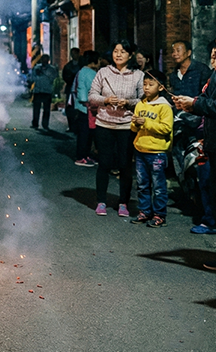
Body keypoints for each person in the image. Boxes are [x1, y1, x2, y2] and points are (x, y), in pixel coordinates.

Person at [88, 40, 144, 217]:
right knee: (104, 163)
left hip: (127, 126)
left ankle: (123, 203)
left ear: (130, 55)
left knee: (125, 165)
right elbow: (92, 96)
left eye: (122, 52)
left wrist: (128, 103)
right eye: (115, 51)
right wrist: (105, 100)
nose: (118, 54)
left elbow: (143, 100)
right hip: (104, 124)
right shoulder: (103, 72)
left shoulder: (138, 75)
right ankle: (101, 201)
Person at [175, 39, 216, 236]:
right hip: (208, 138)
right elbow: (205, 102)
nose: (214, 58)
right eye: (212, 54)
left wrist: (194, 104)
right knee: (207, 181)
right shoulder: (213, 76)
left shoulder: (202, 73)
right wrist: (189, 103)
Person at [129, 69, 173, 227]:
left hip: (157, 152)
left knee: (159, 186)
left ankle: (160, 215)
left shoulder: (164, 107)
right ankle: (144, 211)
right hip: (141, 150)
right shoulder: (140, 104)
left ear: (160, 87)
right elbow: (134, 129)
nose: (146, 87)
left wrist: (146, 123)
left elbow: (166, 128)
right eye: (144, 84)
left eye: (150, 84)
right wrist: (135, 123)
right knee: (142, 184)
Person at [73, 50, 102, 167]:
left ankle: (85, 155)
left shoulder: (83, 71)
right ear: (93, 61)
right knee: (85, 133)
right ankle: (81, 157)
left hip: (84, 107)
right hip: (87, 107)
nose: (100, 62)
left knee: (87, 133)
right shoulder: (89, 73)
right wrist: (87, 102)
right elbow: (87, 89)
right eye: (98, 60)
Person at [28, 54, 58, 130]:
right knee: (36, 108)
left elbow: (53, 77)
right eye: (43, 59)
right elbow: (32, 77)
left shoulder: (51, 69)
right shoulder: (37, 67)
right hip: (38, 90)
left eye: (46, 59)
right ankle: (35, 123)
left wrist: (44, 73)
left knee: (46, 109)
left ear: (48, 60)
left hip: (47, 90)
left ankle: (45, 124)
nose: (44, 61)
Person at [62, 47, 82, 133]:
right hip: (70, 89)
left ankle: (77, 126)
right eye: (72, 54)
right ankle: (71, 126)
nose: (73, 56)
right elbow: (65, 76)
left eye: (75, 54)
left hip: (80, 89)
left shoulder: (82, 65)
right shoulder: (68, 66)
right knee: (70, 108)